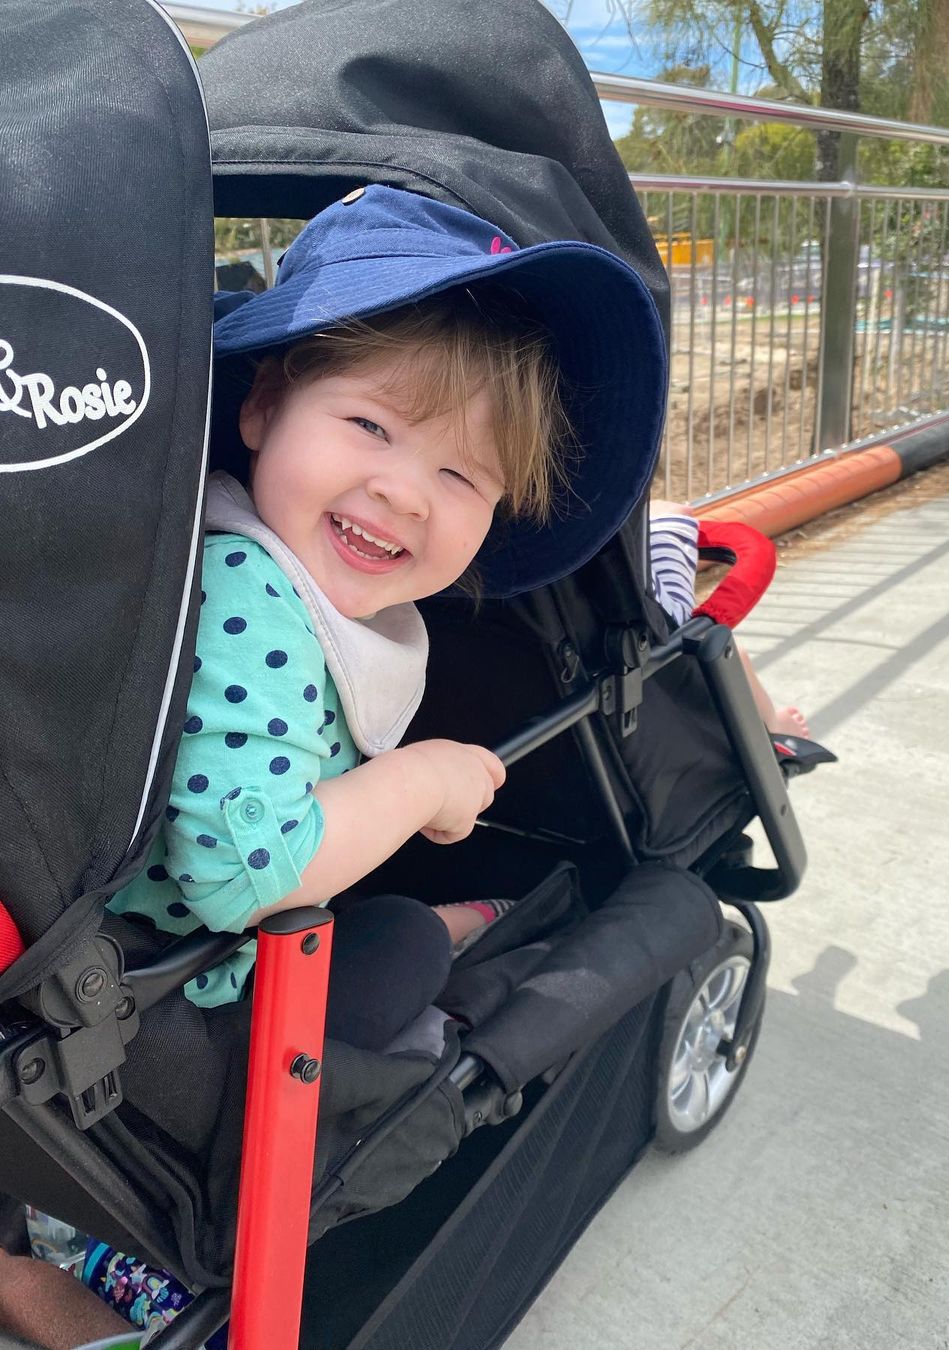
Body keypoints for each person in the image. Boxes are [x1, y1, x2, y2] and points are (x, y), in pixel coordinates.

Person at [1, 186, 667, 1348]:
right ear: (263, 406)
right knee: (402, 940)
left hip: (104, 966)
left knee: (385, 916)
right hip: (167, 1006)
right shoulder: (253, 598)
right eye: (372, 427)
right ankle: (463, 934)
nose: (408, 490)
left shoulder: (206, 542)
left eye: (465, 479)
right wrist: (420, 782)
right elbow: (238, 867)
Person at [648, 500, 810, 740]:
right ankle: (771, 729)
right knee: (729, 655)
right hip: (654, 666)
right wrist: (666, 521)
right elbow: (671, 616)